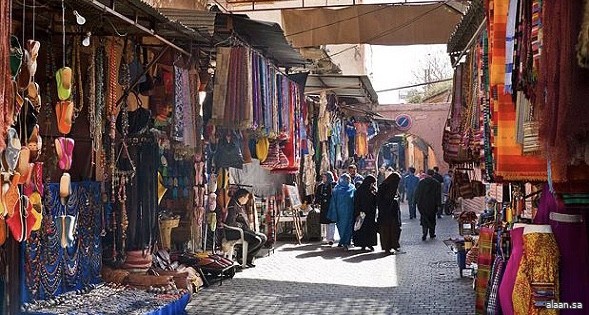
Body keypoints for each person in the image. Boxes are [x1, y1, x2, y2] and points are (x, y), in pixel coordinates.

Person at [223, 189, 268, 267]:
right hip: (233, 232)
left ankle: (247, 258)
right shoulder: (233, 206)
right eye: (247, 197)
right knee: (257, 240)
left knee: (263, 238)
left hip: (241, 231)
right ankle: (241, 255)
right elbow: (231, 222)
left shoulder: (239, 205)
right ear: (242, 197)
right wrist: (243, 226)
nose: (247, 200)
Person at [327, 174, 356, 250]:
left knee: (349, 227)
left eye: (348, 179)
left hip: (350, 211)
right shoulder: (336, 189)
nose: (348, 180)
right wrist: (333, 212)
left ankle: (346, 242)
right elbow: (333, 202)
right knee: (342, 228)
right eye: (346, 179)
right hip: (340, 213)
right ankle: (343, 241)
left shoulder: (352, 188)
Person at [377, 172, 402, 254]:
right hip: (386, 213)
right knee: (387, 231)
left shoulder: (391, 187)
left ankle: (393, 245)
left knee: (395, 230)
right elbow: (384, 200)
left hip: (393, 213)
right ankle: (387, 247)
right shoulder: (384, 187)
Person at [353, 175, 378, 251]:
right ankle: (363, 244)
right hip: (362, 214)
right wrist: (358, 213)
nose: (372, 185)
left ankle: (370, 244)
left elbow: (375, 201)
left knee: (370, 229)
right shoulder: (360, 191)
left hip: (370, 214)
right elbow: (357, 203)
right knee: (362, 229)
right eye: (372, 183)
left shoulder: (371, 190)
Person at [414, 169, 441, 241]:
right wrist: (439, 205)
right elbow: (438, 196)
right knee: (432, 219)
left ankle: (424, 232)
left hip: (422, 204)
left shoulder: (421, 183)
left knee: (424, 219)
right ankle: (432, 233)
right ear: (433, 174)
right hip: (432, 204)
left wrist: (415, 202)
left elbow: (417, 193)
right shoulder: (436, 183)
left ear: (426, 174)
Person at [314, 172, 336, 245]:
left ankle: (331, 239)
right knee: (326, 222)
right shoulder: (321, 186)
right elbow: (317, 195)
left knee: (332, 222)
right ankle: (327, 238)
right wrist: (316, 202)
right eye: (323, 177)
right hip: (324, 206)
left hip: (332, 206)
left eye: (325, 177)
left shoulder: (334, 185)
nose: (323, 179)